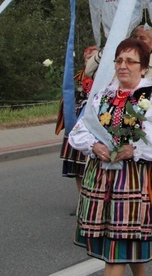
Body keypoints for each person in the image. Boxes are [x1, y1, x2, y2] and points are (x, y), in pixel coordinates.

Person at [69, 38, 152, 275]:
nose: (122, 66)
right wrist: (95, 145)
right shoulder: (103, 95)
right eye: (119, 60)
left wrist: (133, 149)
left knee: (117, 250)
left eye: (130, 61)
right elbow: (80, 130)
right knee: (123, 245)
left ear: (143, 67)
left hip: (132, 179)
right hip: (100, 177)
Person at [86, 24, 152, 97]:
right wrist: (106, 50)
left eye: (142, 38)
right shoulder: (119, 62)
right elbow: (89, 71)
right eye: (135, 37)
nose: (137, 40)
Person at [56, 46, 98, 196]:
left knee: (91, 163)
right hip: (79, 119)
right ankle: (81, 198)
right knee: (77, 166)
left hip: (96, 121)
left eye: (94, 58)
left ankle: (92, 195)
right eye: (88, 58)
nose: (91, 61)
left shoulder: (105, 76)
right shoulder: (80, 77)